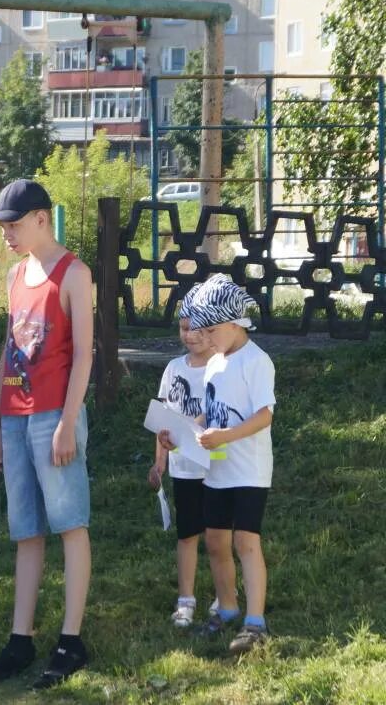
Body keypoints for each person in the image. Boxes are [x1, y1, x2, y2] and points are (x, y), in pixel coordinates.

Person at [0, 179, 94, 690]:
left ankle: (71, 640)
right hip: (17, 417)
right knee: (25, 529)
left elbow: (85, 354)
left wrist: (68, 421)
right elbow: (8, 350)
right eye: (1, 226)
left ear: (42, 218)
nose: (6, 233)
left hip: (54, 416)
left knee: (70, 524)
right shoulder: (15, 274)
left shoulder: (75, 273)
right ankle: (19, 639)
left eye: (14, 224)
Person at [171, 274, 275, 654]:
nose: (207, 339)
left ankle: (255, 622)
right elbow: (207, 413)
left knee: (246, 541)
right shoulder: (215, 362)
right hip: (216, 471)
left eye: (212, 330)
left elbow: (265, 416)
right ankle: (227, 607)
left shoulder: (256, 361)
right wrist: (179, 433)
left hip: (249, 471)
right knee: (215, 542)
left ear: (235, 322)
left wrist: (225, 437)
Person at [147, 295, 218, 628]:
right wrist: (159, 461)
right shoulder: (173, 369)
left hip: (218, 465)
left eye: (197, 329)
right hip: (183, 469)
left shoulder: (222, 366)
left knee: (220, 533)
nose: (189, 335)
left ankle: (224, 595)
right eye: (183, 327)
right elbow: (163, 419)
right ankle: (186, 599)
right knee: (188, 533)